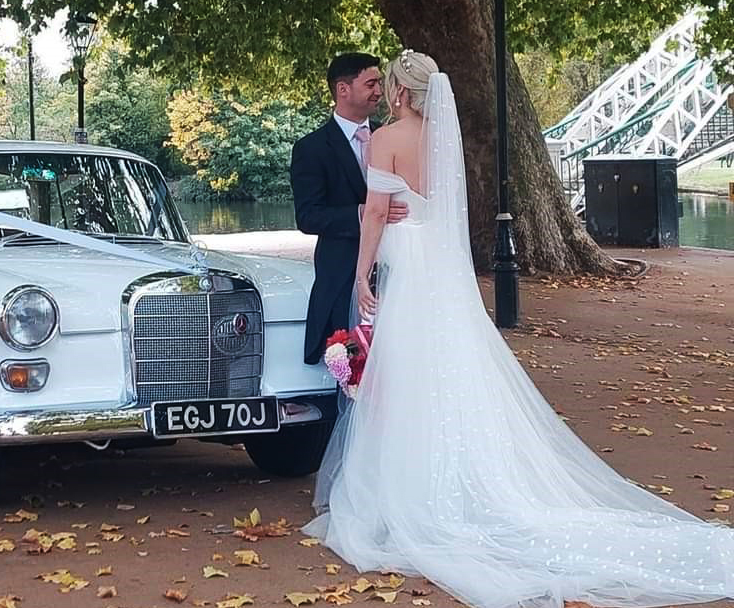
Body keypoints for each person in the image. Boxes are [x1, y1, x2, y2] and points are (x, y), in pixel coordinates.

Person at [303, 50, 734, 608]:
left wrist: (363, 275)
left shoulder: (388, 138)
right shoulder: (444, 141)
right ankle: (468, 485)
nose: (384, 93)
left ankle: (410, 496)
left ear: (401, 92)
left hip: (408, 271)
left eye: (387, 85)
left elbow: (378, 214)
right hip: (443, 272)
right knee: (455, 371)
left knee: (409, 378)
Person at [290, 52, 409, 367]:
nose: (379, 92)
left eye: (380, 84)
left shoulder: (393, 137)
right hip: (342, 277)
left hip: (396, 272)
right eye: (370, 83)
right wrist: (363, 213)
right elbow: (308, 216)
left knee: (397, 367)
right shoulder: (311, 149)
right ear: (343, 90)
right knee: (351, 372)